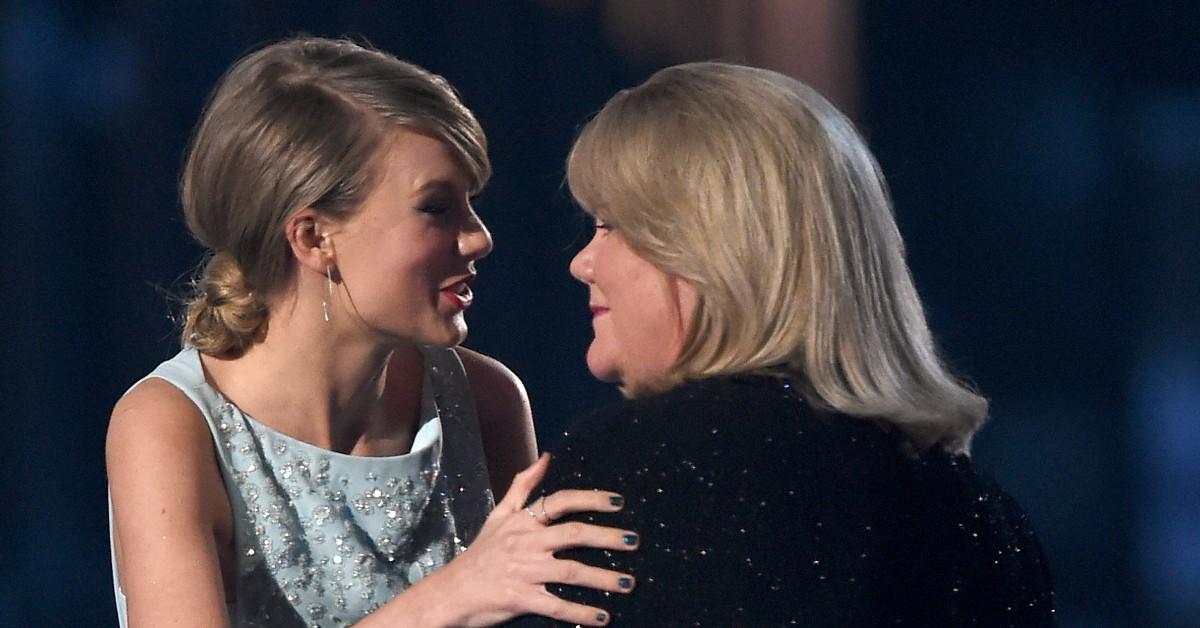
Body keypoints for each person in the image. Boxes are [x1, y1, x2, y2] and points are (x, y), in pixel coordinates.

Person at [106, 37, 639, 628]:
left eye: (472, 203)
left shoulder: (486, 399)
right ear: (312, 237)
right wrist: (450, 598)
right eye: (438, 208)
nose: (480, 237)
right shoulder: (171, 426)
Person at [508, 62, 1056, 626]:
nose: (583, 262)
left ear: (714, 249)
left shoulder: (634, 469)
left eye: (613, 224)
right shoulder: (987, 518)